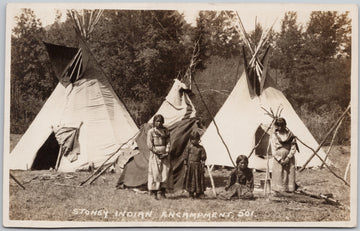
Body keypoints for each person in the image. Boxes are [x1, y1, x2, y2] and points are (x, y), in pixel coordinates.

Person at [270, 117, 299, 194]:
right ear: (276, 126)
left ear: (285, 125)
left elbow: (293, 148)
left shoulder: (290, 135)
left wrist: (288, 158)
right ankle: (278, 190)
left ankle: (289, 190)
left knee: (288, 173)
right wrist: (279, 159)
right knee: (279, 173)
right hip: (278, 157)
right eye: (278, 126)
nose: (280, 128)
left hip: (289, 157)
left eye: (282, 125)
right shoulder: (274, 136)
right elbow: (273, 149)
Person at [147, 114, 171, 200]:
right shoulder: (151, 132)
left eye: (160, 121)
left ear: (163, 122)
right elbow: (150, 145)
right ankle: (154, 192)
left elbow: (168, 142)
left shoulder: (166, 131)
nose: (159, 123)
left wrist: (167, 151)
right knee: (155, 173)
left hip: (164, 154)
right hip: (155, 154)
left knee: (164, 172)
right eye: (157, 121)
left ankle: (162, 192)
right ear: (154, 122)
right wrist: (157, 152)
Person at [183, 130, 207, 199]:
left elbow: (203, 157)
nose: (194, 141)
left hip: (198, 166)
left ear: (198, 139)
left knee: (198, 179)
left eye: (196, 139)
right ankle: (191, 193)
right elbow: (185, 157)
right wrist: (185, 166)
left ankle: (198, 193)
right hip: (190, 166)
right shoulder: (189, 147)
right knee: (190, 179)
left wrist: (203, 165)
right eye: (192, 139)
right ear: (190, 140)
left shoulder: (201, 148)